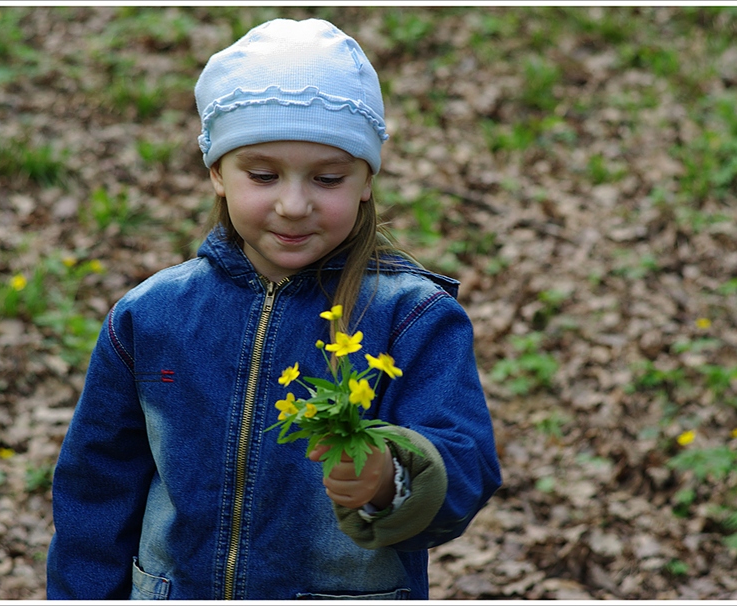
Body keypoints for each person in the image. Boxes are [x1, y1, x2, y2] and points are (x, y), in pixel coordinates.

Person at [46, 17, 501, 600]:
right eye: (263, 174)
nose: (293, 204)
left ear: (366, 179)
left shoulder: (410, 318)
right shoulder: (152, 316)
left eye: (328, 177)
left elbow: (465, 462)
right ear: (216, 171)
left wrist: (390, 478)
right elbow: (95, 489)